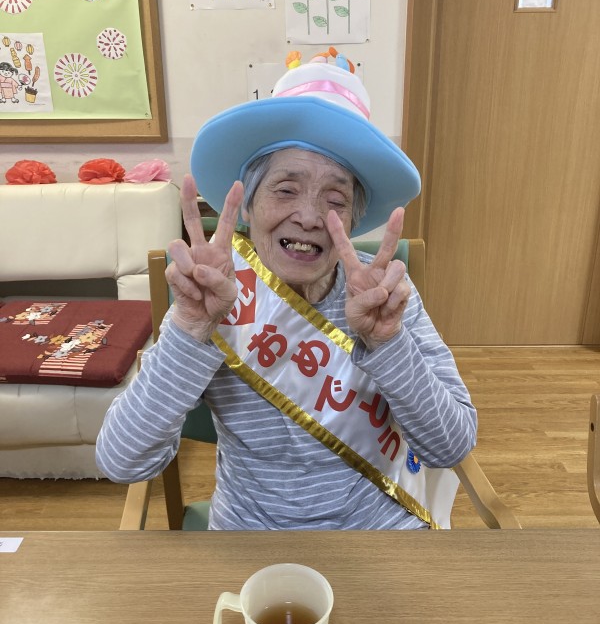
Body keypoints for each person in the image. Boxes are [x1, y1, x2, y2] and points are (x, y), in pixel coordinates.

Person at [96, 49, 477, 530]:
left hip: (379, 534)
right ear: (248, 205)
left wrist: (388, 344)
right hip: (251, 538)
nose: (310, 216)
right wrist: (191, 328)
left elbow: (452, 446)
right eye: (285, 189)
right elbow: (122, 461)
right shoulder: (215, 294)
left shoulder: (386, 296)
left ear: (354, 220)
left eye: (336, 199)